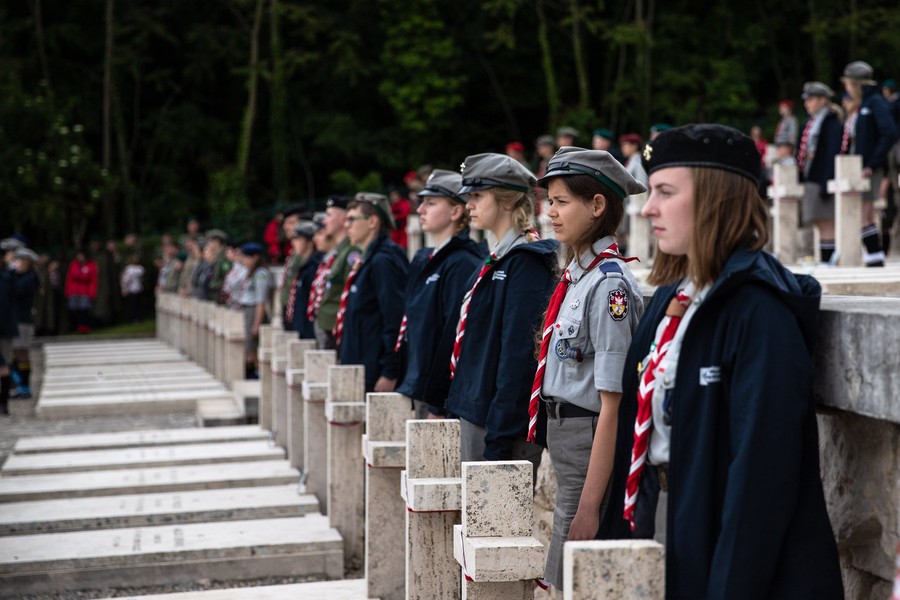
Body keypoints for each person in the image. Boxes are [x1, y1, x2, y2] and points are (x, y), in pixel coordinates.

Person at [619, 123, 843, 598]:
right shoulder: (669, 299)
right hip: (664, 524)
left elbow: (761, 480)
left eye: (664, 191)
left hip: (728, 554)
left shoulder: (760, 311)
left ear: (715, 198)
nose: (648, 207)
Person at [531, 147, 647, 590]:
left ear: (597, 206)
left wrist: (590, 505)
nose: (550, 213)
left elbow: (612, 403)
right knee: (566, 572)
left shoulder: (609, 285)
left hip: (587, 438)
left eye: (561, 202)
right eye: (550, 202)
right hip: (566, 435)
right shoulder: (578, 276)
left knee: (576, 567)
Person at [425, 153, 559, 476]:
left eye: (477, 196)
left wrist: (498, 440)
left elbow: (517, 358)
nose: (468, 204)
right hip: (475, 412)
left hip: (497, 425)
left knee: (492, 525)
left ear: (507, 201)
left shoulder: (526, 263)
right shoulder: (495, 259)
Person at [395, 169, 485, 418]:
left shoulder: (462, 262)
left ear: (456, 211)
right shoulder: (426, 258)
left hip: (438, 397)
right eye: (422, 202)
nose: (421, 210)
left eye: (431, 203)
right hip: (419, 386)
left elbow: (452, 336)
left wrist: (439, 403)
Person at [336, 193, 409, 392]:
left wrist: (390, 372)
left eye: (352, 219)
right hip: (360, 366)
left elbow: (394, 318)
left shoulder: (382, 261)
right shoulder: (368, 259)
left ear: (373, 222)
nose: (346, 225)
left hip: (374, 371)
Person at [841, 60, 899, 266]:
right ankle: (874, 257)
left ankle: (876, 259)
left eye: (848, 83)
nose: (846, 88)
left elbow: (890, 133)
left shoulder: (875, 102)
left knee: (865, 214)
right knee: (863, 215)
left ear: (856, 83)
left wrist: (873, 163)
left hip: (870, 168)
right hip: (860, 166)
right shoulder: (863, 104)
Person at [797, 81, 843, 265]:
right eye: (806, 100)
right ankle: (825, 258)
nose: (807, 103)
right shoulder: (809, 122)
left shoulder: (831, 122)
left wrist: (827, 180)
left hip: (822, 176)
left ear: (823, 100)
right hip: (811, 174)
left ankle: (827, 259)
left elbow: (832, 152)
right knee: (817, 219)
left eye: (811, 99)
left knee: (826, 220)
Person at [312, 196, 361, 351]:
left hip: (336, 329)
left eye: (329, 215)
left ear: (342, 219)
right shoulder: (338, 252)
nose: (325, 221)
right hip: (327, 325)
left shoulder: (351, 253)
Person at [235, 242, 272, 379]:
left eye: (246, 258)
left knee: (253, 347)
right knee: (248, 347)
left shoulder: (261, 274)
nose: (244, 261)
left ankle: (259, 373)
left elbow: (261, 301)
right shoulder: (252, 273)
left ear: (255, 257)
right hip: (248, 311)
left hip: (254, 312)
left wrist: (257, 324)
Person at [285, 221, 323, 338]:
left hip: (308, 329)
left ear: (309, 241)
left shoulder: (314, 267)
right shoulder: (301, 265)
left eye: (297, 239)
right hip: (298, 324)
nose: (293, 243)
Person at [11, 248, 39, 399]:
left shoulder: (29, 278)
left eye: (18, 261)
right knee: (16, 353)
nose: (16, 264)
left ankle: (23, 386)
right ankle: (18, 384)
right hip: (17, 319)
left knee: (21, 352)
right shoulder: (23, 277)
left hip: (22, 320)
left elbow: (16, 291)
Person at [65, 248, 98, 334]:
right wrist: (68, 291)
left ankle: (85, 326)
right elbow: (69, 278)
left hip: (85, 290)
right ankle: (78, 326)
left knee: (84, 309)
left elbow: (93, 280)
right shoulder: (73, 264)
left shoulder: (91, 265)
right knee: (74, 309)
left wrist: (92, 292)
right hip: (74, 290)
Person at [120, 253, 145, 324]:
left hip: (131, 289)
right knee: (138, 305)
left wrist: (124, 289)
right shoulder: (141, 269)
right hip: (139, 288)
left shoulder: (128, 269)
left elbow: (126, 280)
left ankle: (132, 318)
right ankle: (138, 318)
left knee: (131, 305)